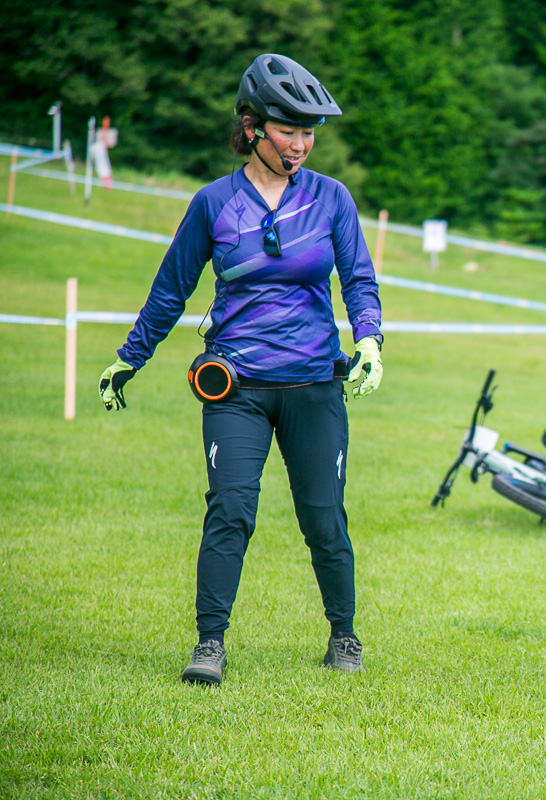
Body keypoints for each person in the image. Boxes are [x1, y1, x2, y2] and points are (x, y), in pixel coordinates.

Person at [97, 53, 384, 684]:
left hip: (314, 384)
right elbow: (171, 288)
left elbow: (359, 279)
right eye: (289, 131)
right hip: (237, 389)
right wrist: (130, 358)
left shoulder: (332, 198)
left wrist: (369, 339)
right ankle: (210, 643)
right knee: (230, 509)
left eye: (309, 133)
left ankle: (344, 637)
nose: (301, 144)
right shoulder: (214, 204)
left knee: (324, 516)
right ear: (253, 126)